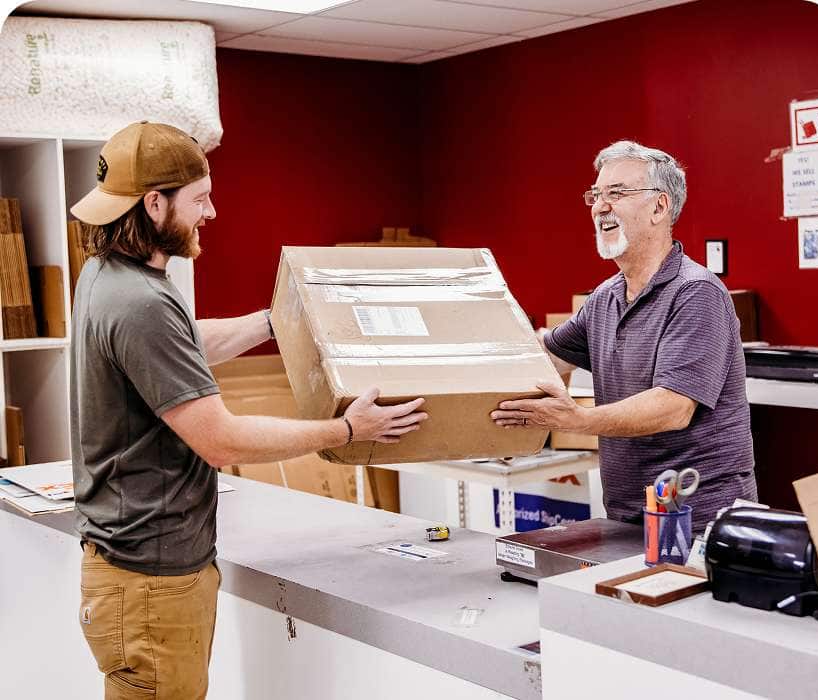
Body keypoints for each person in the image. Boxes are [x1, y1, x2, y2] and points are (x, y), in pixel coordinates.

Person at [69, 121, 427, 699]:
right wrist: (347, 428)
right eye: (200, 199)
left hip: (134, 568)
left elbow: (185, 346)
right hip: (152, 578)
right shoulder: (139, 303)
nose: (211, 213)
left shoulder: (109, 275)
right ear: (154, 204)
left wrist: (277, 319)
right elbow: (222, 441)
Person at [492, 140, 756, 531]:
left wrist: (577, 419)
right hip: (628, 516)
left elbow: (672, 407)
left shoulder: (696, 293)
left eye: (617, 193)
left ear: (659, 206)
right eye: (596, 195)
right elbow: (546, 358)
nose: (601, 205)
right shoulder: (606, 297)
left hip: (699, 522)